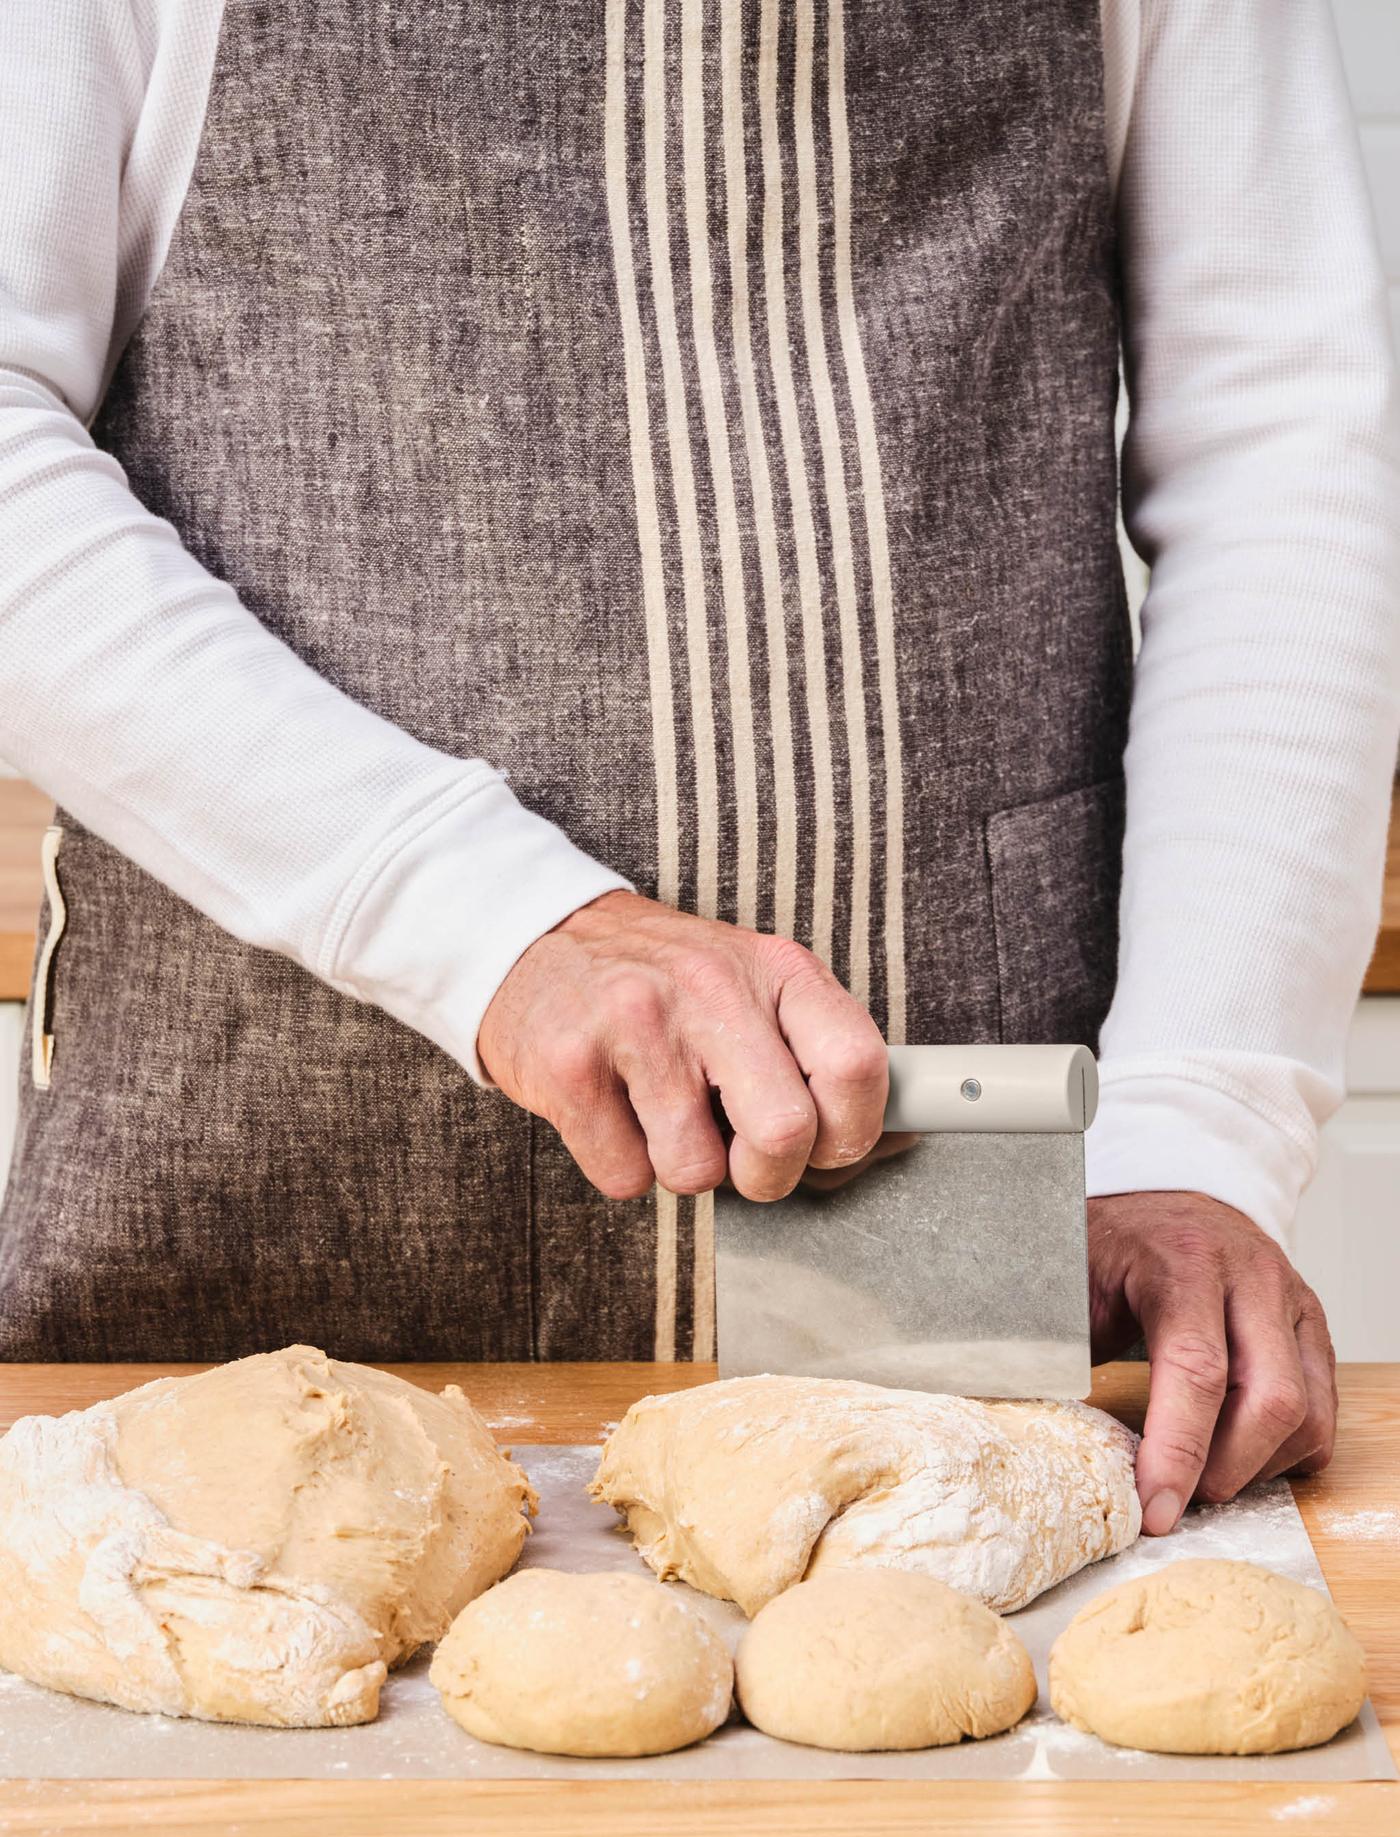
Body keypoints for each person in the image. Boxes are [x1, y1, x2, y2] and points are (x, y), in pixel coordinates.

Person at [0, 1, 1395, 1543]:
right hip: (250, 1208)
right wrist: (485, 919)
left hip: (975, 1312)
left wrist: (1197, 1119)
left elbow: (1286, 440)